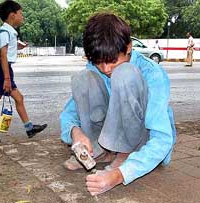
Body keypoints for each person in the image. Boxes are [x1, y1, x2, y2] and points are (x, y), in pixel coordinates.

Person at [60, 12, 176, 196]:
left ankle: (125, 155)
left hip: (142, 141)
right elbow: (69, 112)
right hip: (112, 136)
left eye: (113, 61)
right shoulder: (97, 67)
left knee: (124, 74)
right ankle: (101, 149)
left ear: (129, 47)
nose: (106, 69)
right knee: (82, 79)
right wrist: (75, 132)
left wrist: (121, 174)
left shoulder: (152, 73)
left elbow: (162, 138)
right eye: (99, 62)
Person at [0, 0, 47, 145]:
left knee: (19, 98)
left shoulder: (9, 32)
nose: (22, 17)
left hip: (5, 71)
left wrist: (19, 45)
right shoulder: (4, 32)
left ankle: (29, 128)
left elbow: (8, 51)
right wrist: (7, 79)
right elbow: (3, 55)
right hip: (3, 72)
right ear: (12, 15)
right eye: (20, 13)